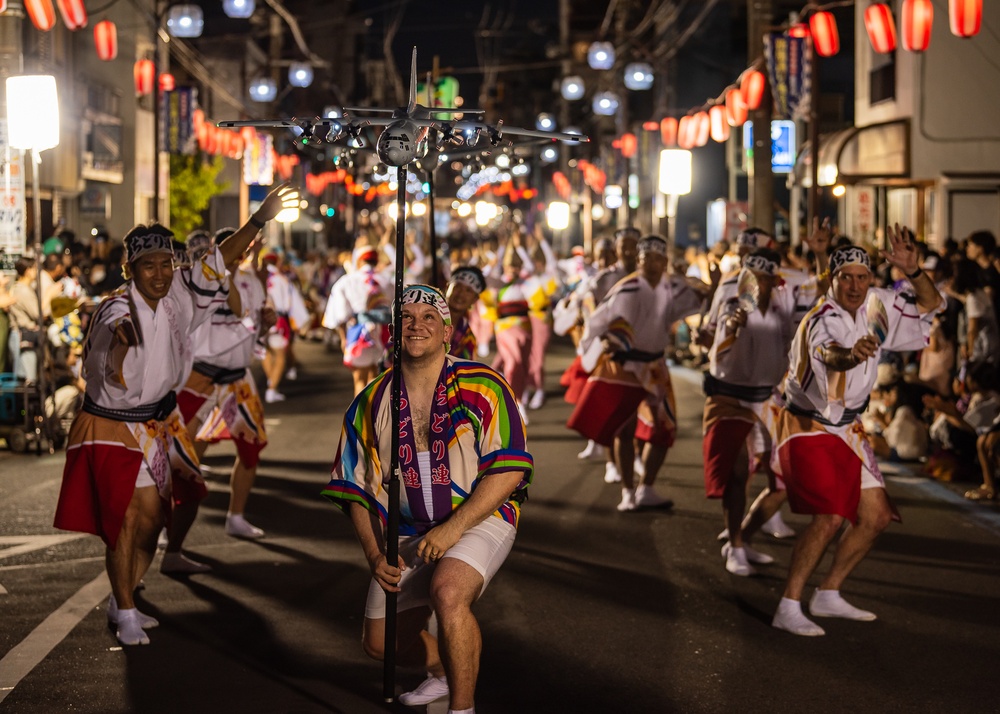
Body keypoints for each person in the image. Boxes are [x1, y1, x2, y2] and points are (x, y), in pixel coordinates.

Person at [52, 183, 296, 646]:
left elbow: (221, 258)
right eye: (149, 265)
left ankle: (122, 596)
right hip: (115, 424)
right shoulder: (115, 310)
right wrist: (126, 342)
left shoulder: (182, 294)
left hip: (161, 421)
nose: (161, 273)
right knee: (126, 521)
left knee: (152, 519)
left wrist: (260, 219)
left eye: (167, 262)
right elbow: (113, 338)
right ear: (130, 269)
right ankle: (125, 608)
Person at [322, 284, 532, 713]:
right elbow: (356, 487)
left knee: (448, 591)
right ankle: (443, 671)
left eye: (428, 318)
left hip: (477, 517)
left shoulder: (484, 385)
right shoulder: (370, 401)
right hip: (408, 530)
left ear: (447, 332)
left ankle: (463, 707)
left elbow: (510, 468)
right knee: (380, 645)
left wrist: (454, 528)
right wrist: (374, 554)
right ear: (393, 333)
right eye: (407, 319)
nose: (417, 326)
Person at [769, 225, 943, 637]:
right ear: (832, 279)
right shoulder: (819, 318)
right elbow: (829, 354)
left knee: (877, 516)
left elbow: (931, 305)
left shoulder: (878, 303)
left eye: (862, 277)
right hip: (809, 425)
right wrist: (852, 354)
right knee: (829, 517)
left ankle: (827, 593)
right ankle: (788, 603)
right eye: (845, 276)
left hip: (849, 427)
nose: (854, 284)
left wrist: (914, 271)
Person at [699, 236, 828, 576]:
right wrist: (730, 325)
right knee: (737, 472)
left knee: (784, 481)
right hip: (727, 397)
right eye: (748, 278)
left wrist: (819, 254)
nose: (753, 284)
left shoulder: (787, 300)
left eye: (761, 279)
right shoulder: (730, 297)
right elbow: (718, 327)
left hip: (768, 399)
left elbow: (819, 291)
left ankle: (740, 536)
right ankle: (737, 549)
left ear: (775, 280)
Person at [567, 235, 711, 511]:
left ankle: (646, 488)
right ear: (639, 260)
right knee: (624, 428)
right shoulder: (627, 288)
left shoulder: (671, 287)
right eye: (645, 258)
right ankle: (628, 491)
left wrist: (703, 284)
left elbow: (701, 299)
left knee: (663, 428)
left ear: (665, 261)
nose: (651, 264)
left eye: (657, 258)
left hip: (655, 366)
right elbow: (597, 322)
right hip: (625, 364)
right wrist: (598, 346)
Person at [165, 228, 276, 573]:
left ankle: (237, 515)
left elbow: (253, 324)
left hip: (237, 377)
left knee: (251, 448)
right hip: (199, 375)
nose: (242, 253)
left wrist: (268, 325)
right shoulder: (200, 280)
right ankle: (166, 527)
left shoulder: (251, 282)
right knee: (182, 454)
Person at [323, 244, 393, 396]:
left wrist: (343, 339)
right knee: (379, 378)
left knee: (359, 378)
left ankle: (360, 417)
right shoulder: (387, 281)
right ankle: (376, 416)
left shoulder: (347, 281)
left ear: (359, 261)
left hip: (359, 334)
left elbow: (340, 315)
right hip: (385, 335)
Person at [446, 266, 487, 360]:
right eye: (458, 286)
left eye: (468, 290)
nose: (461, 294)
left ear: (475, 299)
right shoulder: (427, 319)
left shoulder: (468, 338)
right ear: (448, 287)